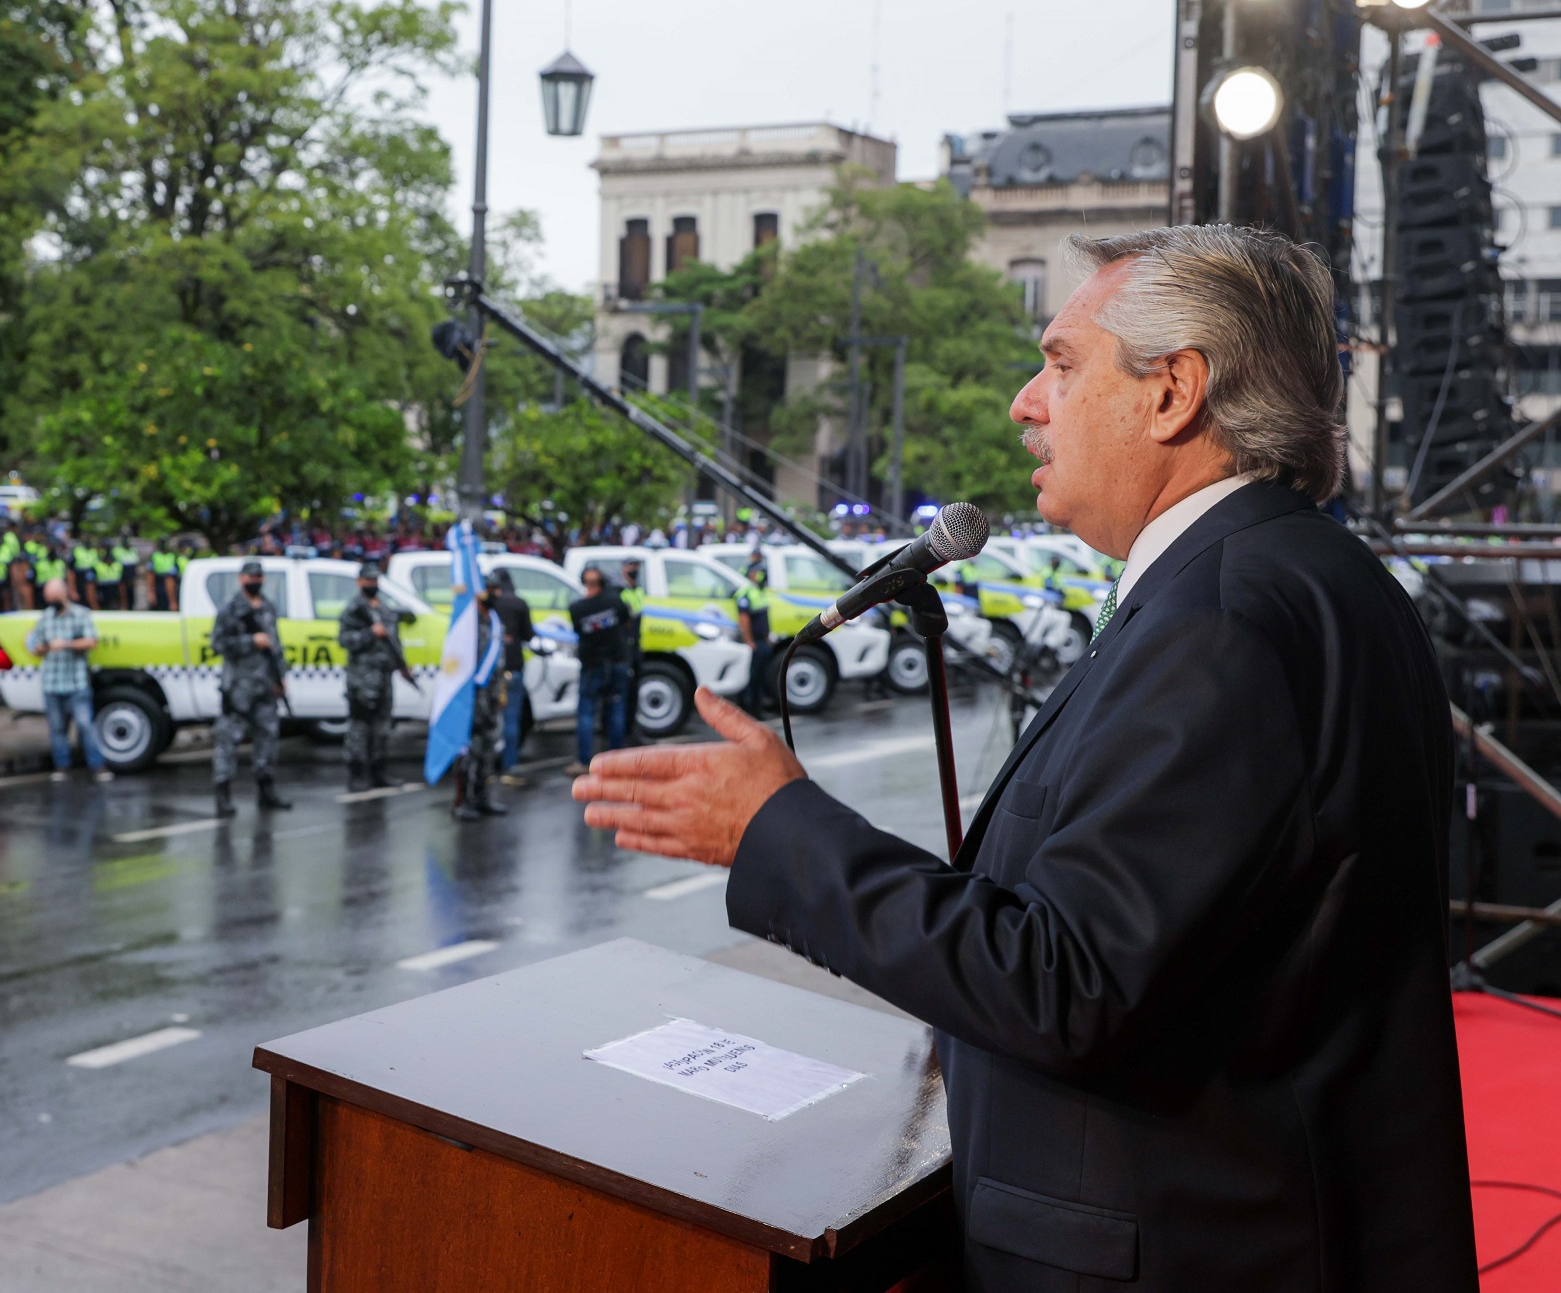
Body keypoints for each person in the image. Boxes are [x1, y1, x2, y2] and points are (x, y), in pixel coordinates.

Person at [575, 226, 1479, 1290]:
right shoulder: (1295, 572)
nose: (1023, 400)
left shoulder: (1220, 619)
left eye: (1059, 363)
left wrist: (775, 828)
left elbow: (1069, 982)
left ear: (1171, 393)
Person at [211, 559, 290, 815]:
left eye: (258, 577)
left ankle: (266, 792)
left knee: (267, 739)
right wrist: (250, 641)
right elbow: (218, 644)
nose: (254, 581)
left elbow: (275, 644)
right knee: (228, 741)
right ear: (241, 578)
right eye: (250, 577)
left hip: (265, 685)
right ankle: (223, 795)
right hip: (238, 688)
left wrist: (281, 677)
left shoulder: (267, 606)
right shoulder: (230, 608)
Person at [24, 577, 110, 783]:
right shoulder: (45, 618)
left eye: (55, 597)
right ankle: (62, 766)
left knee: (84, 725)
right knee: (57, 728)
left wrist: (66, 644)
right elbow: (36, 647)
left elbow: (91, 641)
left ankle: (97, 766)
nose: (52, 602)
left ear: (64, 593)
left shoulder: (80, 615)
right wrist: (45, 647)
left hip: (76, 682)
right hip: (52, 682)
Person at [338, 561, 404, 793]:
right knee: (359, 727)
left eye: (375, 581)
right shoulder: (354, 610)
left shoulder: (384, 609)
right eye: (368, 581)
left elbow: (394, 641)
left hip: (384, 677)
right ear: (359, 582)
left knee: (382, 727)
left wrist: (402, 665)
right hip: (362, 679)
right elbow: (345, 640)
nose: (372, 585)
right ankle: (357, 773)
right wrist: (369, 634)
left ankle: (378, 772)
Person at [564, 565, 629, 776]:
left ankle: (584, 761)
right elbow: (626, 621)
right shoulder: (614, 601)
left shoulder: (577, 609)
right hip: (616, 663)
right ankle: (617, 761)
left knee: (586, 713)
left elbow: (577, 631)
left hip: (592, 667)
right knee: (616, 710)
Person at [453, 576, 507, 821]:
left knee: (487, 750)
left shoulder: (495, 622)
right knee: (468, 752)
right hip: (472, 700)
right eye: (492, 590)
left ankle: (483, 797)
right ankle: (463, 801)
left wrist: (502, 692)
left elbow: (499, 663)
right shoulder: (468, 625)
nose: (496, 594)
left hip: (492, 697)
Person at [489, 568, 534, 787]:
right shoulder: (518, 603)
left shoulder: (487, 604)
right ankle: (510, 767)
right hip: (513, 667)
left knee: (487, 721)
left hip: (489, 671)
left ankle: (485, 769)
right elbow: (528, 634)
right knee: (511, 720)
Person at [734, 558, 775, 718]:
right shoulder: (746, 592)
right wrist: (749, 641)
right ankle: (749, 711)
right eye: (757, 572)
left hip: (762, 641)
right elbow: (744, 619)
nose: (761, 575)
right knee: (751, 678)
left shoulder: (759, 591)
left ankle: (758, 710)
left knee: (761, 677)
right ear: (751, 574)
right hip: (753, 643)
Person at [618, 557, 646, 739]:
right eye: (631, 567)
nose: (635, 570)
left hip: (635, 646)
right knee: (622, 692)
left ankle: (630, 730)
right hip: (623, 647)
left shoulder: (638, 590)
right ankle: (621, 732)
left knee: (634, 690)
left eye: (637, 567)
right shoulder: (619, 591)